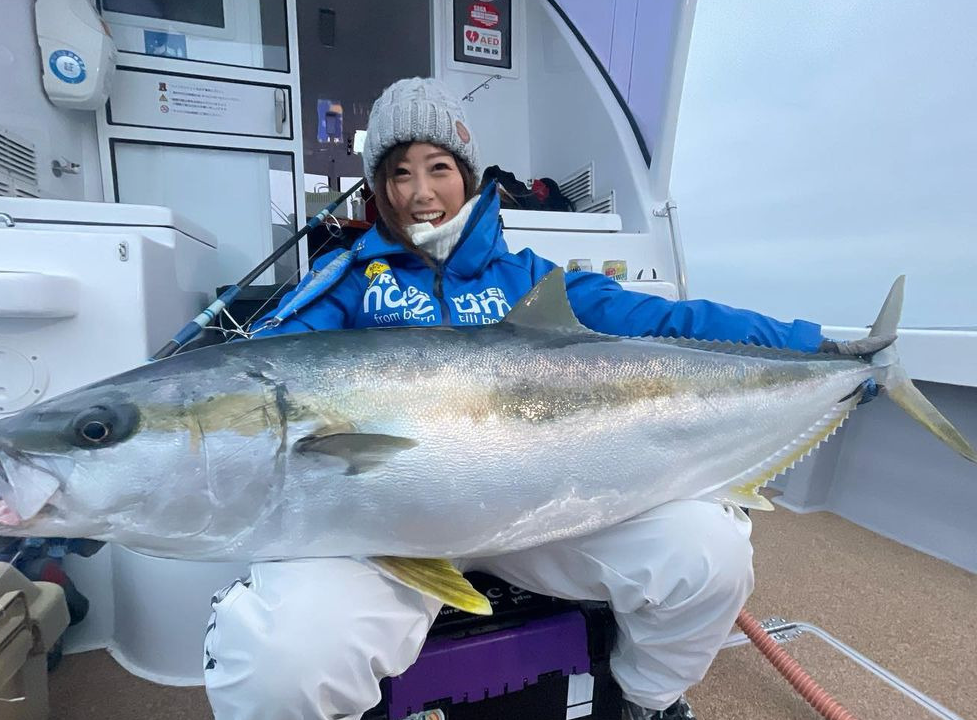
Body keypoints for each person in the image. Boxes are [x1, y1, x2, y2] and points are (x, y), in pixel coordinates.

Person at [202, 77, 893, 720]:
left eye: (438, 167)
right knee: (279, 664)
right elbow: (268, 368)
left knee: (708, 552)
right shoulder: (345, 281)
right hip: (383, 528)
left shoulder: (533, 281)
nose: (420, 192)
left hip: (543, 510)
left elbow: (671, 322)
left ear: (468, 175)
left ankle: (647, 699)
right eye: (399, 173)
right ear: (380, 188)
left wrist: (814, 348)